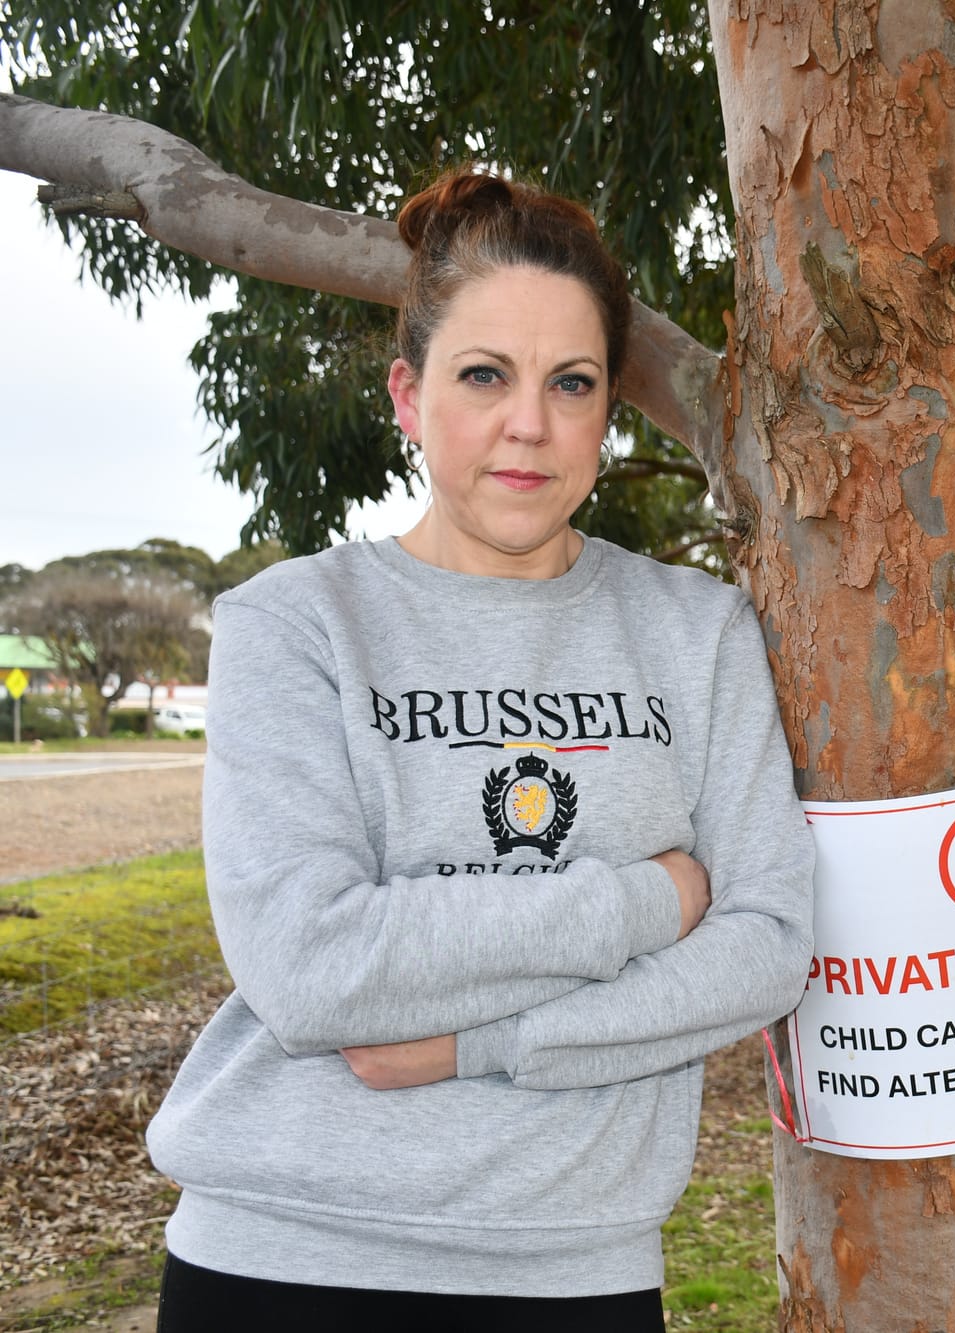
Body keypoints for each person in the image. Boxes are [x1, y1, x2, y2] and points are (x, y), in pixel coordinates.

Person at [146, 168, 816, 1331]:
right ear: (409, 398)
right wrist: (650, 903)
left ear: (608, 408)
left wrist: (477, 1040)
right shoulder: (295, 624)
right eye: (483, 377)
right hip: (282, 1260)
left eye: (571, 383)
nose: (529, 424)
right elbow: (308, 965)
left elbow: (767, 947)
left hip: (575, 1267)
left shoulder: (694, 631)